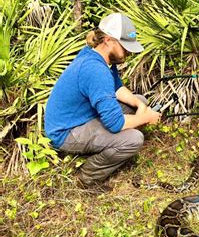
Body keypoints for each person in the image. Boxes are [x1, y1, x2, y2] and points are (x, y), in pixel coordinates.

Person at [44, 12, 161, 190]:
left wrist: (140, 106)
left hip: (82, 117)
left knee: (139, 99)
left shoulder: (100, 58)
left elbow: (117, 88)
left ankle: (104, 147)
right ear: (108, 40)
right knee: (133, 139)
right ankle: (87, 178)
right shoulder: (95, 70)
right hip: (65, 132)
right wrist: (146, 118)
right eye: (125, 46)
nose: (128, 52)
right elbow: (114, 123)